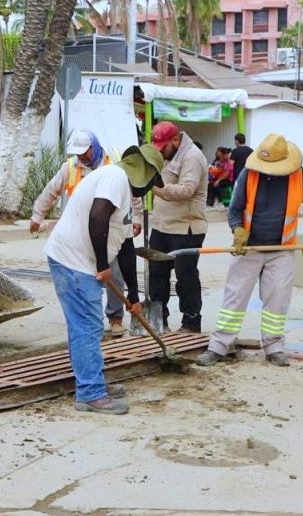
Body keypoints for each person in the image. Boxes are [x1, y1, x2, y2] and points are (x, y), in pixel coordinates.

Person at [45, 144, 164, 414]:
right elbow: (97, 217)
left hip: (77, 261)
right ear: (144, 174)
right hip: (73, 261)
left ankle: (91, 381)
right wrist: (102, 264)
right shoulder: (115, 177)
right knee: (87, 326)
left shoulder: (122, 191)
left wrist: (133, 296)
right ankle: (90, 393)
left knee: (84, 326)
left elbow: (126, 248)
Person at [196, 133, 303, 368]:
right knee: (235, 298)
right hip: (249, 247)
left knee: (277, 299)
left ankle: (274, 346)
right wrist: (238, 230)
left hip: (282, 248)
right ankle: (219, 346)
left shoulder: (299, 175)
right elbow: (234, 209)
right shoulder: (248, 174)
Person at [31, 129, 141, 337]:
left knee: (115, 275)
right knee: (90, 301)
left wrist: (136, 218)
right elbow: (51, 190)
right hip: (81, 235)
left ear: (95, 146)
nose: (83, 156)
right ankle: (88, 324)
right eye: (79, 153)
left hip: (110, 231)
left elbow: (132, 193)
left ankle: (115, 317)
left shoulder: (115, 163)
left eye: (86, 152)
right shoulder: (70, 167)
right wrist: (37, 215)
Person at [149, 121, 209, 332]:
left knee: (186, 276)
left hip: (186, 229)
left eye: (163, 147)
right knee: (157, 274)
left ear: (175, 140)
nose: (160, 152)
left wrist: (155, 188)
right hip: (161, 226)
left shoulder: (192, 157)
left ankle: (191, 322)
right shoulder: (165, 154)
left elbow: (186, 190)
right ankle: (158, 320)